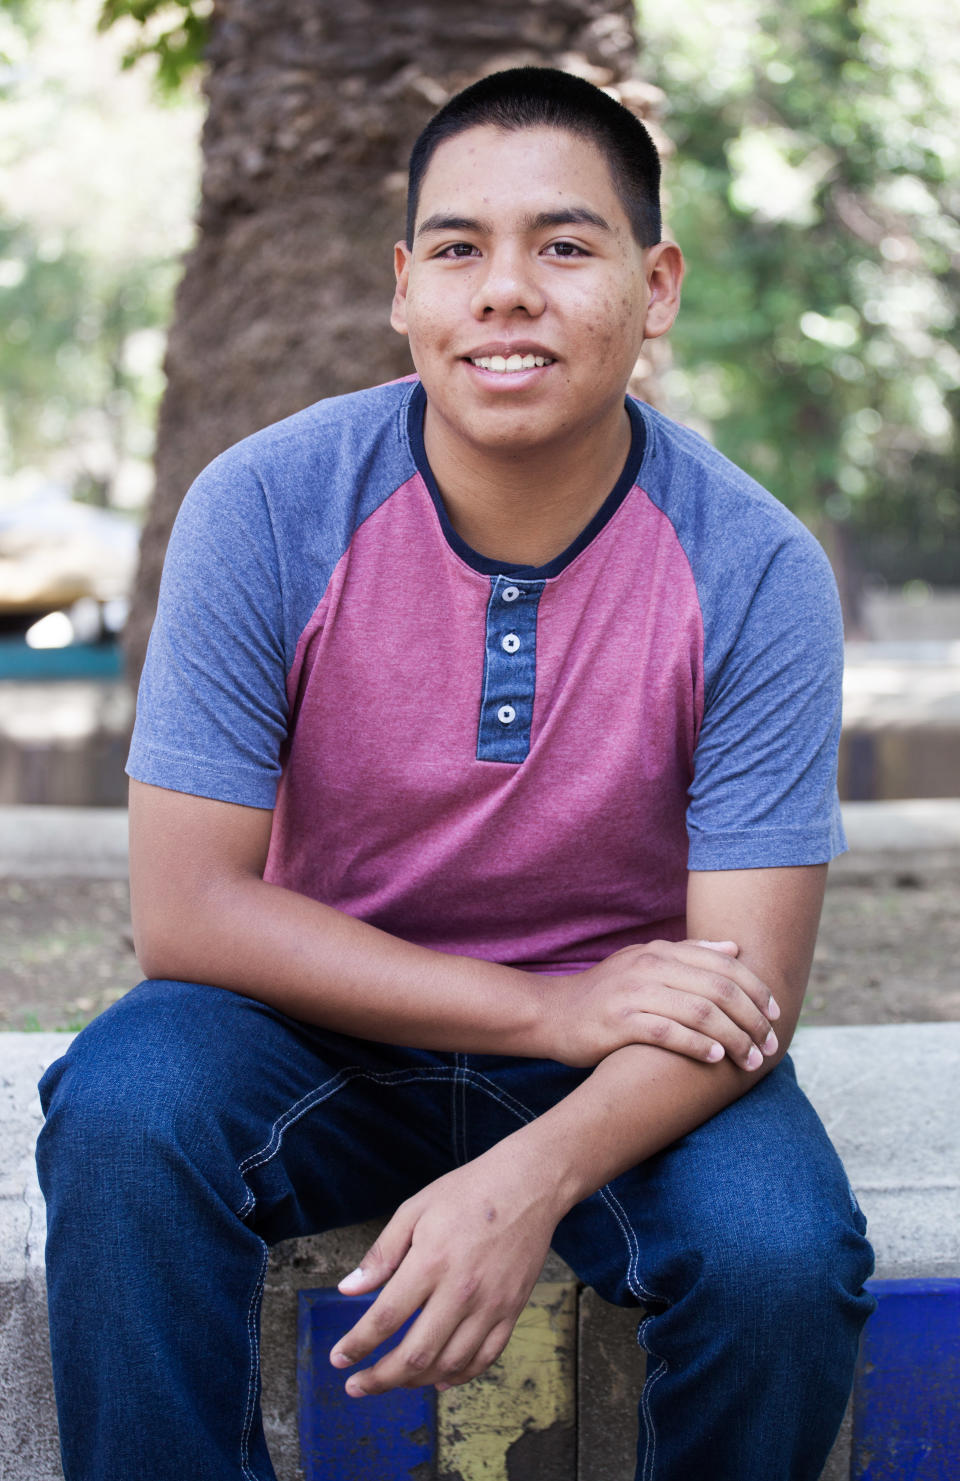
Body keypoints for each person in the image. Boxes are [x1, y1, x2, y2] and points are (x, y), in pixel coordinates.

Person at [37, 66, 874, 1481]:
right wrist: (543, 1007)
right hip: (320, 1028)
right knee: (126, 1109)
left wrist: (532, 1169)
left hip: (637, 1055)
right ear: (403, 289)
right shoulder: (266, 504)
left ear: (655, 286)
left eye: (564, 245)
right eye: (457, 249)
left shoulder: (753, 566)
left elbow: (747, 990)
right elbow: (187, 913)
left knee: (780, 1254)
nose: (505, 291)